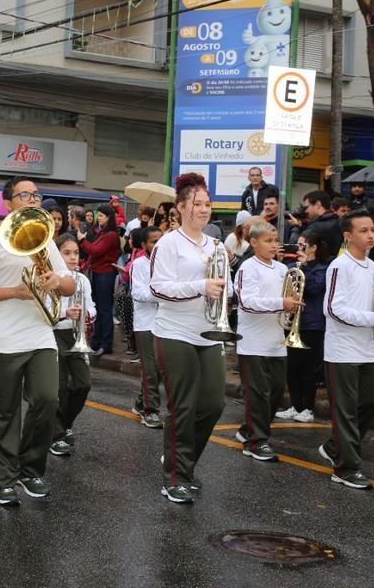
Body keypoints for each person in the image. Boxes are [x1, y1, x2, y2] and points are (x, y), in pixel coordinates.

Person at [0, 176, 75, 507]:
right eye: (25, 194)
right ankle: (2, 480)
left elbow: (69, 286)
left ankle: (31, 469)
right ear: (8, 203)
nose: (32, 199)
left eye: (36, 195)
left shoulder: (46, 239)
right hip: (3, 338)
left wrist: (57, 280)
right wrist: (14, 291)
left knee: (47, 399)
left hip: (40, 331)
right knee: (5, 412)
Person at [149, 173, 231, 504]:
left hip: (208, 332)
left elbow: (226, 286)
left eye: (208, 204)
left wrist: (226, 288)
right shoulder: (168, 243)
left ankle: (180, 460)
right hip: (174, 332)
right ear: (181, 207)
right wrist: (201, 286)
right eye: (197, 204)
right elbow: (158, 287)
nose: (203, 210)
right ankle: (176, 477)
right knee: (183, 406)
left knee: (214, 403)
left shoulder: (216, 245)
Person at [318, 209, 374, 490]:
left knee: (369, 404)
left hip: (367, 348)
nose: (370, 236)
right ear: (348, 235)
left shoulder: (373, 267)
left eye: (372, 231)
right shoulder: (339, 266)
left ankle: (334, 447)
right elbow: (332, 309)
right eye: (363, 231)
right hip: (341, 350)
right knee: (345, 411)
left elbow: (368, 305)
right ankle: (345, 468)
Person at [233, 220, 301, 462]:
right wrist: (281, 303)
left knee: (275, 392)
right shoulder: (247, 268)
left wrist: (292, 303)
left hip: (276, 340)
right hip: (252, 342)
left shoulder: (282, 269)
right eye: (268, 241)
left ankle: (248, 430)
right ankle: (256, 442)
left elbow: (285, 302)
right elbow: (247, 302)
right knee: (258, 393)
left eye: (275, 241)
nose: (274, 245)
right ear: (254, 242)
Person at [276, 232, 332, 423]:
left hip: (312, 324)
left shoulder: (322, 269)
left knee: (308, 368)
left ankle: (308, 408)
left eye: (302, 246)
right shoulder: (292, 267)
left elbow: (314, 288)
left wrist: (305, 267)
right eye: (297, 246)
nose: (299, 249)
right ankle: (295, 405)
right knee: (292, 367)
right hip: (293, 323)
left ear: (313, 248)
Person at [48, 233, 96, 456]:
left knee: (82, 384)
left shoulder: (82, 280)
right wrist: (65, 313)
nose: (73, 257)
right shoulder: (49, 277)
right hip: (53, 333)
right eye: (66, 253)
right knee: (57, 387)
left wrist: (85, 314)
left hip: (74, 336)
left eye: (76, 253)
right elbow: (45, 309)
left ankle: (64, 423)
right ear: (57, 255)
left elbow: (93, 308)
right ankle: (55, 434)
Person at [130, 225, 164, 429]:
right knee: (150, 369)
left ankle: (141, 402)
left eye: (160, 240)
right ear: (144, 245)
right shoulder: (138, 264)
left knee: (159, 369)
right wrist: (162, 293)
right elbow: (138, 293)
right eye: (153, 241)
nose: (158, 245)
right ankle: (150, 411)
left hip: (165, 323)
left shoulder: (168, 264)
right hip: (145, 324)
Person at [77, 204, 120, 356]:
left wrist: (83, 241)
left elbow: (96, 251)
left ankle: (105, 343)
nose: (98, 218)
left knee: (105, 310)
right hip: (98, 273)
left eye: (101, 215)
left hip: (105, 274)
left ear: (108, 217)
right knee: (98, 308)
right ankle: (96, 342)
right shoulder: (102, 233)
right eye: (98, 215)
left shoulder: (110, 235)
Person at [299, 190, 342, 255]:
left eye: (307, 207)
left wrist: (296, 228)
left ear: (318, 204)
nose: (305, 211)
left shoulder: (316, 226)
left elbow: (300, 246)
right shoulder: (337, 221)